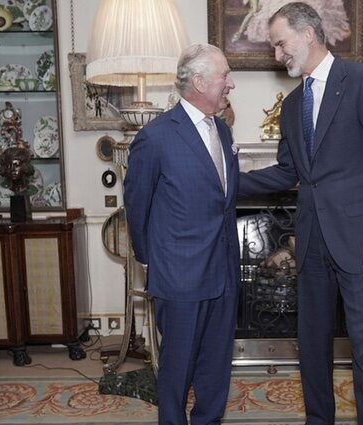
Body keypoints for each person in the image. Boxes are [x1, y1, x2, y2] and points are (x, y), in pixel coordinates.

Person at [239, 3, 363, 424]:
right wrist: (226, 182)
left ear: (308, 34)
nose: (278, 55)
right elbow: (288, 171)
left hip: (360, 239)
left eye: (281, 44)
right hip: (310, 241)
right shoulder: (293, 105)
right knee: (311, 344)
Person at [123, 43, 239, 425]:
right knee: (177, 369)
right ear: (200, 81)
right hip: (180, 276)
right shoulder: (155, 137)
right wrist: (150, 260)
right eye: (225, 76)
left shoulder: (221, 130)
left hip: (224, 273)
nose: (231, 84)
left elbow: (222, 196)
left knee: (216, 367)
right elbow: (137, 206)